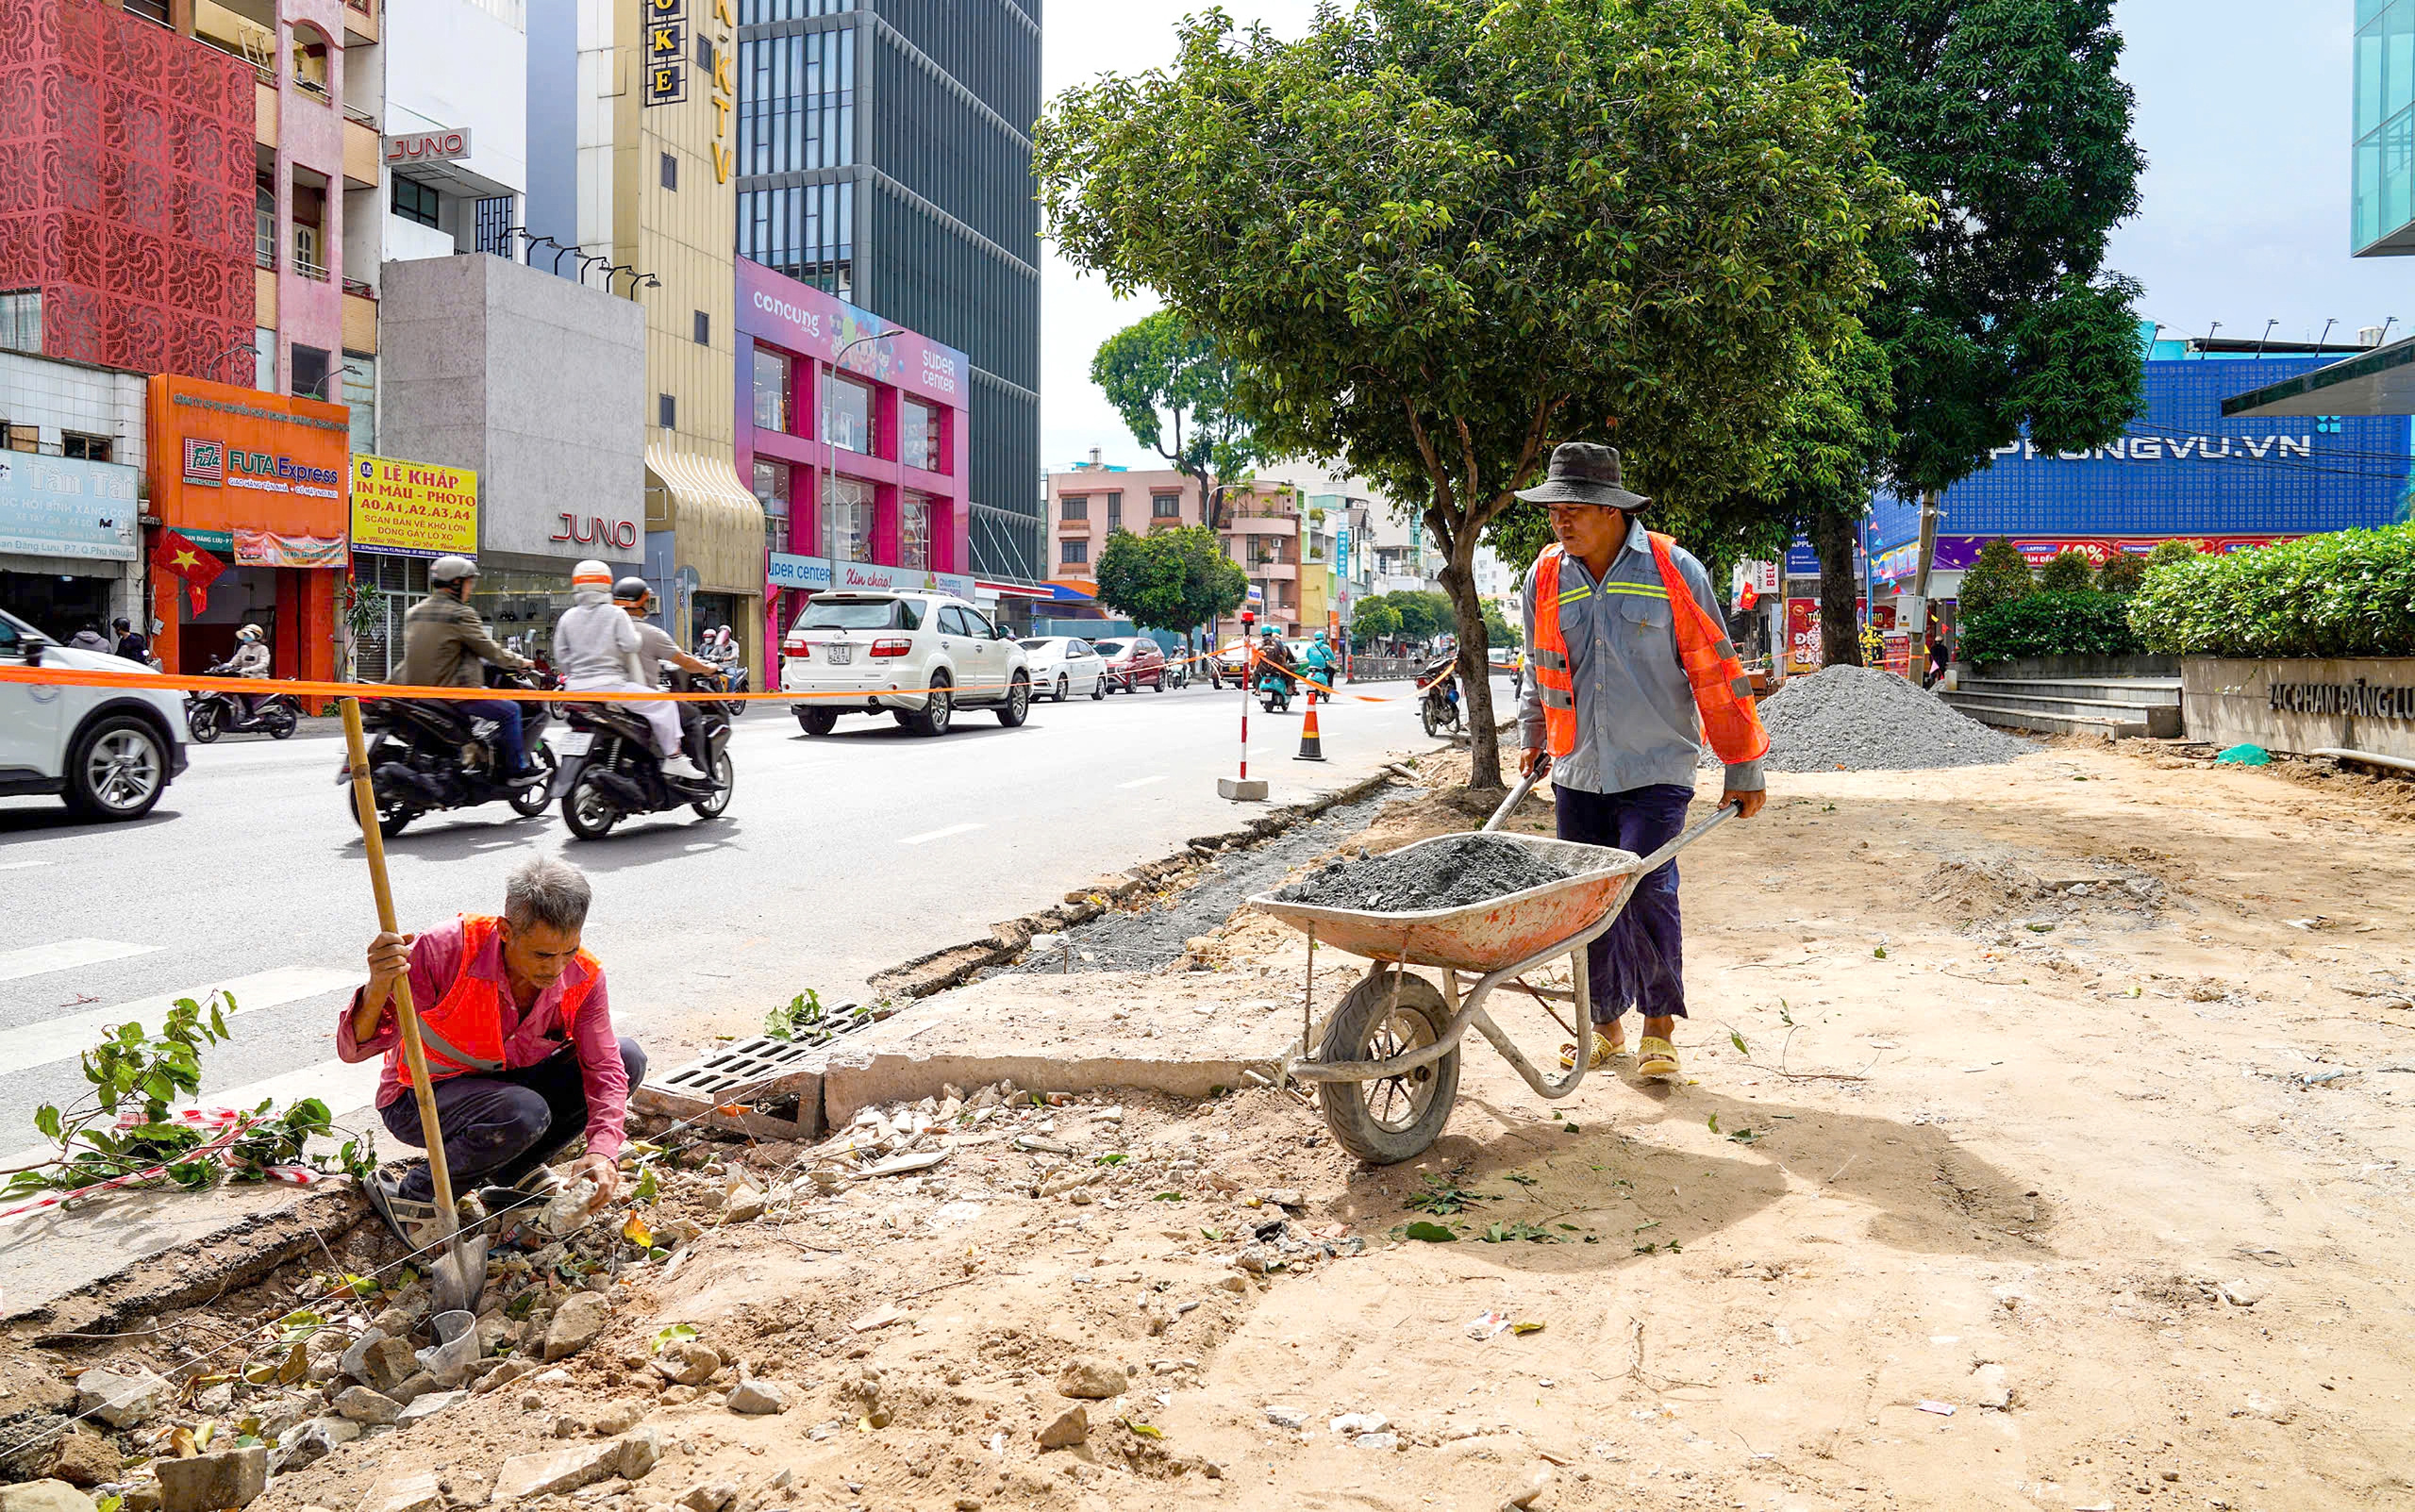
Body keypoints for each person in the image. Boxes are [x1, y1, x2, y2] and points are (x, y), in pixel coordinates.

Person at [1515, 442, 1767, 1086]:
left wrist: (1743, 765)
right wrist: (1533, 729)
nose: (1561, 522)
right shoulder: (1544, 577)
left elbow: (1718, 674)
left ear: (1610, 510)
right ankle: (1604, 1028)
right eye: (1555, 511)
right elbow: (1537, 666)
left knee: (1648, 886)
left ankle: (1659, 1026)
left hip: (1657, 767)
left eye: (1574, 509)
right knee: (1590, 898)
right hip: (1578, 767)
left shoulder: (1674, 570)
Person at [341, 855, 644, 1248]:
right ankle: (415, 1194)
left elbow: (604, 1067)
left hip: (510, 1093)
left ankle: (515, 1168)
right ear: (505, 930)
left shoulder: (582, 976)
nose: (557, 969)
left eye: (568, 951)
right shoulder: (447, 950)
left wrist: (603, 1152)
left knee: (627, 1057)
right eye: (542, 955)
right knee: (523, 1112)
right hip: (421, 1098)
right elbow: (357, 1048)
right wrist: (379, 984)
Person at [550, 562, 708, 782]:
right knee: (665, 704)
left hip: (574, 689)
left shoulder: (568, 617)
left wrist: (577, 674)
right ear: (606, 584)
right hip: (611, 687)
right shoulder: (615, 614)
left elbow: (561, 657)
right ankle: (674, 757)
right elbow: (631, 644)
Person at [395, 556, 542, 785]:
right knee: (511, 710)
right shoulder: (460, 614)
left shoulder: (414, 612)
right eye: (469, 583)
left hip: (415, 693)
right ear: (456, 583)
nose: (470, 588)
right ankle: (516, 771)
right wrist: (519, 662)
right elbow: (489, 649)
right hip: (455, 693)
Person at [613, 577, 722, 771]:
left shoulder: (607, 629)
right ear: (642, 603)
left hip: (605, 696)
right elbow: (685, 662)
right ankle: (697, 770)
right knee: (692, 716)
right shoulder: (651, 633)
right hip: (641, 697)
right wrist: (709, 669)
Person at [220, 623, 272, 718]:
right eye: (245, 635)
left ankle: (250, 714)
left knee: (242, 692)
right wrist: (226, 666)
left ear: (255, 636)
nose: (245, 637)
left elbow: (264, 664)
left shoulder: (263, 649)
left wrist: (248, 670)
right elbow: (235, 660)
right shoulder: (243, 648)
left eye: (247, 635)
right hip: (244, 679)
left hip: (259, 678)